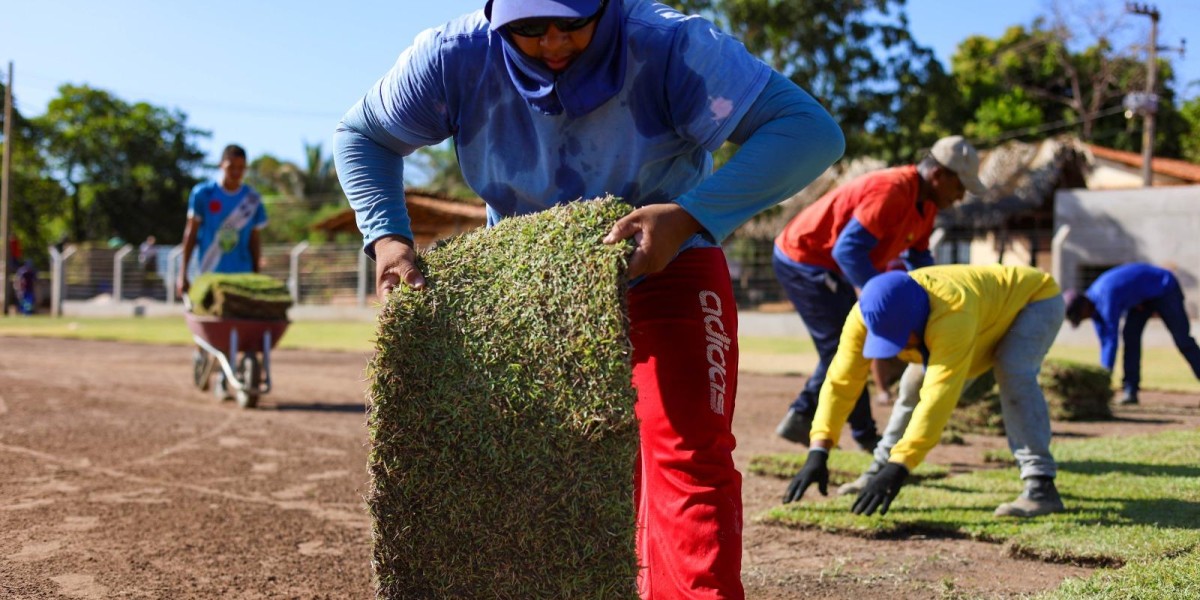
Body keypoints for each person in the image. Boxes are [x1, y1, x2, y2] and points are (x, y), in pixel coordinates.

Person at [332, 1, 845, 597]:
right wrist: (388, 239)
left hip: (668, 262)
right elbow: (362, 135)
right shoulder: (454, 57)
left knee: (687, 451)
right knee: (545, 467)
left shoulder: (669, 45)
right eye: (529, 29)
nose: (553, 43)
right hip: (531, 288)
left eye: (573, 23)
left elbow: (809, 131)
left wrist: (689, 215)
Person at [781, 265, 1066, 518]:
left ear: (920, 321)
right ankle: (879, 466)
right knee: (912, 385)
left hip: (1034, 300)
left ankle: (1041, 486)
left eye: (900, 340)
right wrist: (819, 448)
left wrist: (901, 466)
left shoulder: (953, 314)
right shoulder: (865, 314)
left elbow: (937, 399)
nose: (896, 351)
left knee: (1013, 370)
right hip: (983, 312)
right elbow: (841, 381)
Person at [772, 135, 986, 450]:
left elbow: (920, 259)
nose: (960, 196)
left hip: (832, 266)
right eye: (959, 187)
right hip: (804, 259)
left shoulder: (926, 206)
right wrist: (885, 303)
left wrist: (934, 301)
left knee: (849, 346)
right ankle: (850, 431)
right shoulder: (892, 191)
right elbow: (848, 250)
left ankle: (810, 418)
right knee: (845, 347)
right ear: (938, 175)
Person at [1065, 262, 1200, 405]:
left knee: (1183, 340)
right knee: (1131, 338)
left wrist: (1103, 381)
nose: (1084, 320)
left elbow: (1111, 341)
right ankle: (1130, 391)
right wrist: (1103, 375)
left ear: (1084, 307)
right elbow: (1104, 343)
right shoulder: (1094, 306)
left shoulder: (1105, 298)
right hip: (1142, 297)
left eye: (1081, 317)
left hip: (1163, 286)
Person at [176, 144, 267, 297]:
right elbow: (191, 233)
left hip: (242, 276)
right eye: (231, 167)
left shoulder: (252, 199)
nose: (236, 172)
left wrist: (256, 276)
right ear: (221, 165)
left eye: (241, 167)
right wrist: (182, 274)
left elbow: (255, 240)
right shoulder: (203, 194)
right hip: (210, 272)